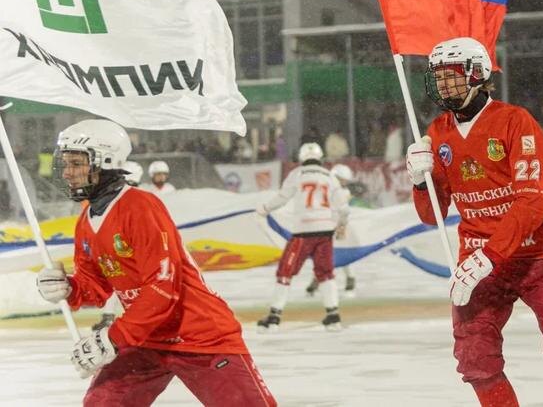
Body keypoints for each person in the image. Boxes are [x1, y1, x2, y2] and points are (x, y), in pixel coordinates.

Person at [405, 37, 543, 407]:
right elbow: (431, 216)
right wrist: (420, 183)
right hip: (479, 263)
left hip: (538, 258)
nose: (443, 85)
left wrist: (490, 254)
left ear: (477, 74)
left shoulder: (515, 122)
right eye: (438, 77)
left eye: (451, 75)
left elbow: (534, 201)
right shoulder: (437, 132)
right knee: (475, 357)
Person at [35, 119, 276, 406]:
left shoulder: (140, 206)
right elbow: (95, 287)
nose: (68, 173)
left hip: (200, 335)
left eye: (76, 163)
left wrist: (112, 338)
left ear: (105, 161)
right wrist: (68, 288)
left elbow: (163, 290)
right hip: (146, 338)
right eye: (66, 164)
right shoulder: (86, 221)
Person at [255, 142, 349, 332]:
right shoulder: (330, 176)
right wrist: (341, 225)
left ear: (301, 158)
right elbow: (343, 208)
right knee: (326, 272)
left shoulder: (297, 174)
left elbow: (282, 198)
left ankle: (274, 316)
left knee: (285, 271)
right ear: (321, 157)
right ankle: (333, 315)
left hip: (303, 231)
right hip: (325, 231)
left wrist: (264, 209)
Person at [91, 159, 146, 332]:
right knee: (116, 281)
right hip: (119, 248)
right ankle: (110, 316)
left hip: (133, 251)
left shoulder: (140, 201)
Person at [306, 163, 359, 298]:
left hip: (338, 226)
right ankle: (318, 278)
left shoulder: (341, 192)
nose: (343, 183)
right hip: (327, 225)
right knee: (323, 253)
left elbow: (343, 210)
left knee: (341, 252)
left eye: (345, 181)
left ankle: (350, 278)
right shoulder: (327, 188)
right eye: (342, 180)